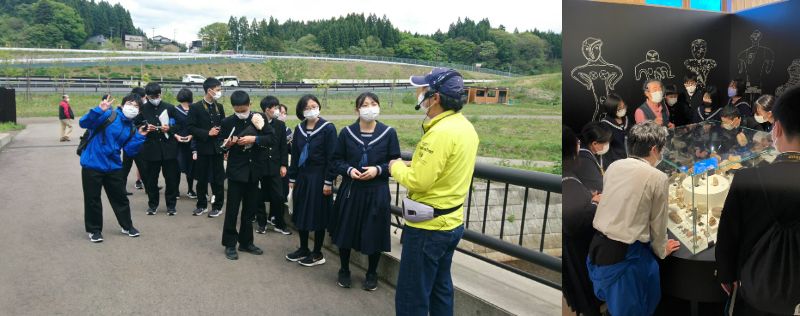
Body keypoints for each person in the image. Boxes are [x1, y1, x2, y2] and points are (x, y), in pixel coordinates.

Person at [389, 68, 479, 316]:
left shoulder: (439, 133)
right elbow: (444, 168)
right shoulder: (464, 127)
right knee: (441, 288)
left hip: (428, 228)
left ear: (435, 96)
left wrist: (395, 166)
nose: (418, 93)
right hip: (451, 223)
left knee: (412, 295)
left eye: (421, 89)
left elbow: (418, 181)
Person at [716, 86, 800, 315]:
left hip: (755, 286)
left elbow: (728, 236)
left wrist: (726, 274)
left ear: (778, 128)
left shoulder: (747, 178)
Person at [586, 121, 681, 316]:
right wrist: (662, 249)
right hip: (625, 255)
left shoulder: (614, 165)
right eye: (661, 149)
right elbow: (658, 222)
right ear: (654, 149)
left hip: (598, 246)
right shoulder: (657, 177)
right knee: (633, 306)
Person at [329, 92, 401, 291]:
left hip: (376, 191)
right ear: (357, 109)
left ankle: (372, 272)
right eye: (365, 104)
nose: (370, 108)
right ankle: (344, 269)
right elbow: (336, 160)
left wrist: (378, 170)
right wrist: (349, 170)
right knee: (346, 230)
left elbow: (395, 162)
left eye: (374, 103)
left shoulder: (388, 133)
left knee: (374, 231)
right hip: (351, 189)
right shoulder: (346, 133)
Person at [79, 94, 151, 242]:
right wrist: (98, 110)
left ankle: (127, 226)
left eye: (136, 106)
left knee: (120, 198)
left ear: (139, 111)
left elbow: (130, 150)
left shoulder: (131, 127)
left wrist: (140, 136)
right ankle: (94, 230)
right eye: (130, 103)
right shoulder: (107, 115)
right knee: (93, 199)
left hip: (113, 166)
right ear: (123, 105)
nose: (132, 107)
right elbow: (83, 123)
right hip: (92, 164)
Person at [218, 90, 272, 260]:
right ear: (233, 108)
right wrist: (228, 144)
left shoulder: (259, 118)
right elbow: (220, 144)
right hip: (236, 171)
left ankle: (246, 242)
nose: (241, 113)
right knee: (232, 210)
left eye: (244, 109)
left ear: (250, 105)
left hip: (254, 171)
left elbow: (272, 138)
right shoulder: (227, 122)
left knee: (249, 210)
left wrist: (254, 140)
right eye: (238, 110)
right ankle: (229, 244)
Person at [286, 94, 337, 267]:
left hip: (319, 177)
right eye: (307, 108)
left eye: (314, 106)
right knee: (301, 212)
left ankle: (317, 252)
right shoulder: (299, 129)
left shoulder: (328, 128)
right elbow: (295, 156)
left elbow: (332, 157)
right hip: (302, 177)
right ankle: (303, 248)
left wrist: (328, 181)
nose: (311, 110)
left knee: (318, 214)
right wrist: (292, 178)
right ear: (301, 111)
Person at [562, 126, 603, 316]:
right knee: (585, 286)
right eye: (575, 143)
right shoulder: (568, 181)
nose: (579, 145)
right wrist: (594, 204)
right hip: (577, 251)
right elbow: (575, 221)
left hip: (573, 250)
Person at [139, 83, 180, 216]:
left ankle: (171, 205)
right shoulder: (143, 108)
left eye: (157, 95)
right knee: (151, 179)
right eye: (152, 96)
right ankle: (152, 205)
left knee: (171, 179)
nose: (155, 98)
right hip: (151, 149)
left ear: (160, 94)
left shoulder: (169, 107)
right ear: (147, 96)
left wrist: (170, 128)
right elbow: (135, 125)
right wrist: (145, 127)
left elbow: (180, 124)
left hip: (169, 149)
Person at [188, 78, 226, 217]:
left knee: (218, 179)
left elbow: (224, 126)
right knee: (202, 178)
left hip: (217, 149)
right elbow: (190, 127)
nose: (219, 92)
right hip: (203, 148)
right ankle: (201, 205)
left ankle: (217, 206)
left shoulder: (219, 107)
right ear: (209, 90)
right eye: (217, 90)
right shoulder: (195, 107)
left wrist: (224, 144)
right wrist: (207, 133)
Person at [254, 96, 292, 235]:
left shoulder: (280, 125)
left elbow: (283, 146)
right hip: (259, 166)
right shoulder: (256, 122)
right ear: (267, 109)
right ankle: (262, 223)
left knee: (279, 196)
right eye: (275, 108)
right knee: (259, 196)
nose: (277, 111)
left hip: (275, 166)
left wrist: (283, 165)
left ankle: (279, 223)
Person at [173, 88, 197, 199]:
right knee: (177, 167)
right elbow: (170, 126)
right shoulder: (174, 110)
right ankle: (176, 190)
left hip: (191, 143)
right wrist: (176, 136)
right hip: (177, 143)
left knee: (191, 167)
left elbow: (198, 126)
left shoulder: (195, 109)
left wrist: (191, 136)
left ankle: (190, 189)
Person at [575, 122, 611, 193]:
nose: (607, 145)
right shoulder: (584, 160)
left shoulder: (592, 152)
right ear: (594, 143)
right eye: (606, 143)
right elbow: (599, 186)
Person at [123, 87, 146, 192]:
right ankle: (122, 189)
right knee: (127, 167)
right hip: (131, 143)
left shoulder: (141, 109)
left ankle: (149, 187)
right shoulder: (130, 112)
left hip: (136, 143)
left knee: (141, 167)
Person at [599, 94, 630, 169]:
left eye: (623, 106)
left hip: (631, 158)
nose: (623, 109)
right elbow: (607, 150)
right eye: (619, 108)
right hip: (617, 162)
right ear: (611, 109)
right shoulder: (605, 124)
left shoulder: (626, 119)